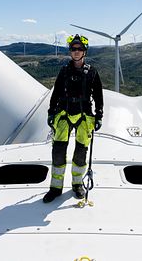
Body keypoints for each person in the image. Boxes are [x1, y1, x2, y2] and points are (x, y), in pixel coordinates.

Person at [43, 34, 104, 203]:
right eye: (73, 49)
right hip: (63, 113)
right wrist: (50, 112)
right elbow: (55, 93)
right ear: (70, 51)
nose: (76, 52)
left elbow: (98, 95)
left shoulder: (92, 72)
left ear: (84, 52)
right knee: (58, 152)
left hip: (84, 116)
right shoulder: (64, 71)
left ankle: (77, 185)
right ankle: (55, 188)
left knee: (80, 153)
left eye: (79, 49)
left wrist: (99, 115)